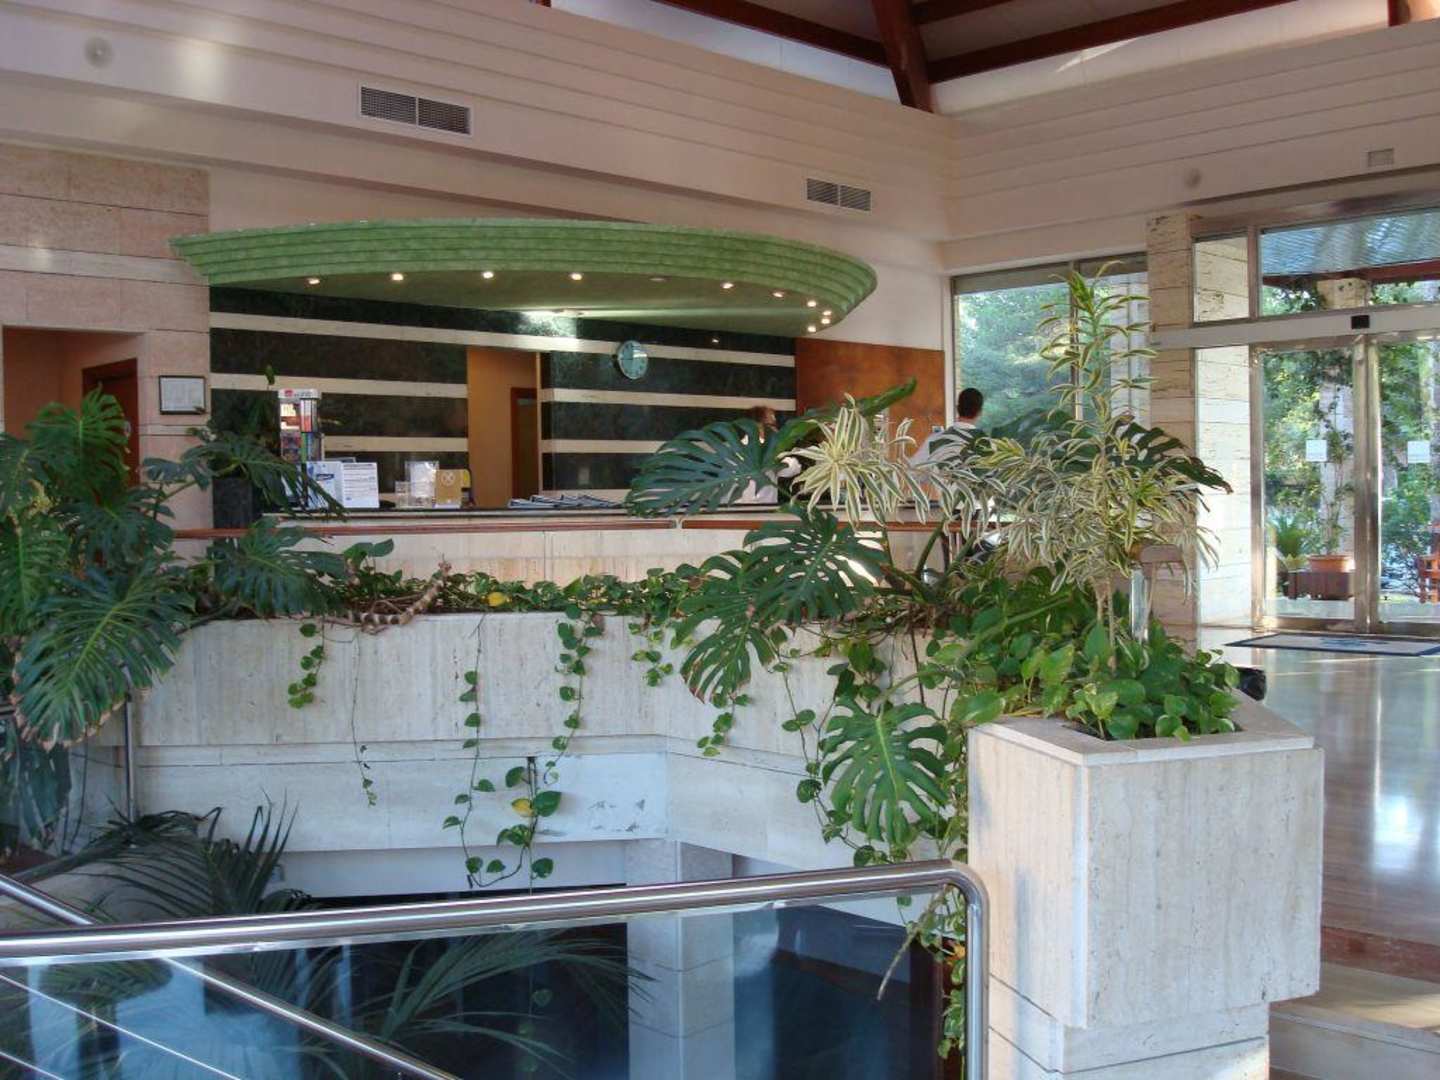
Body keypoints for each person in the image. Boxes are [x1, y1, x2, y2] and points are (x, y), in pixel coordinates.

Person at [910, 387, 984, 467]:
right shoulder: (986, 446)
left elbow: (911, 469)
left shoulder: (934, 440)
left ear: (957, 408)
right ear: (980, 412)